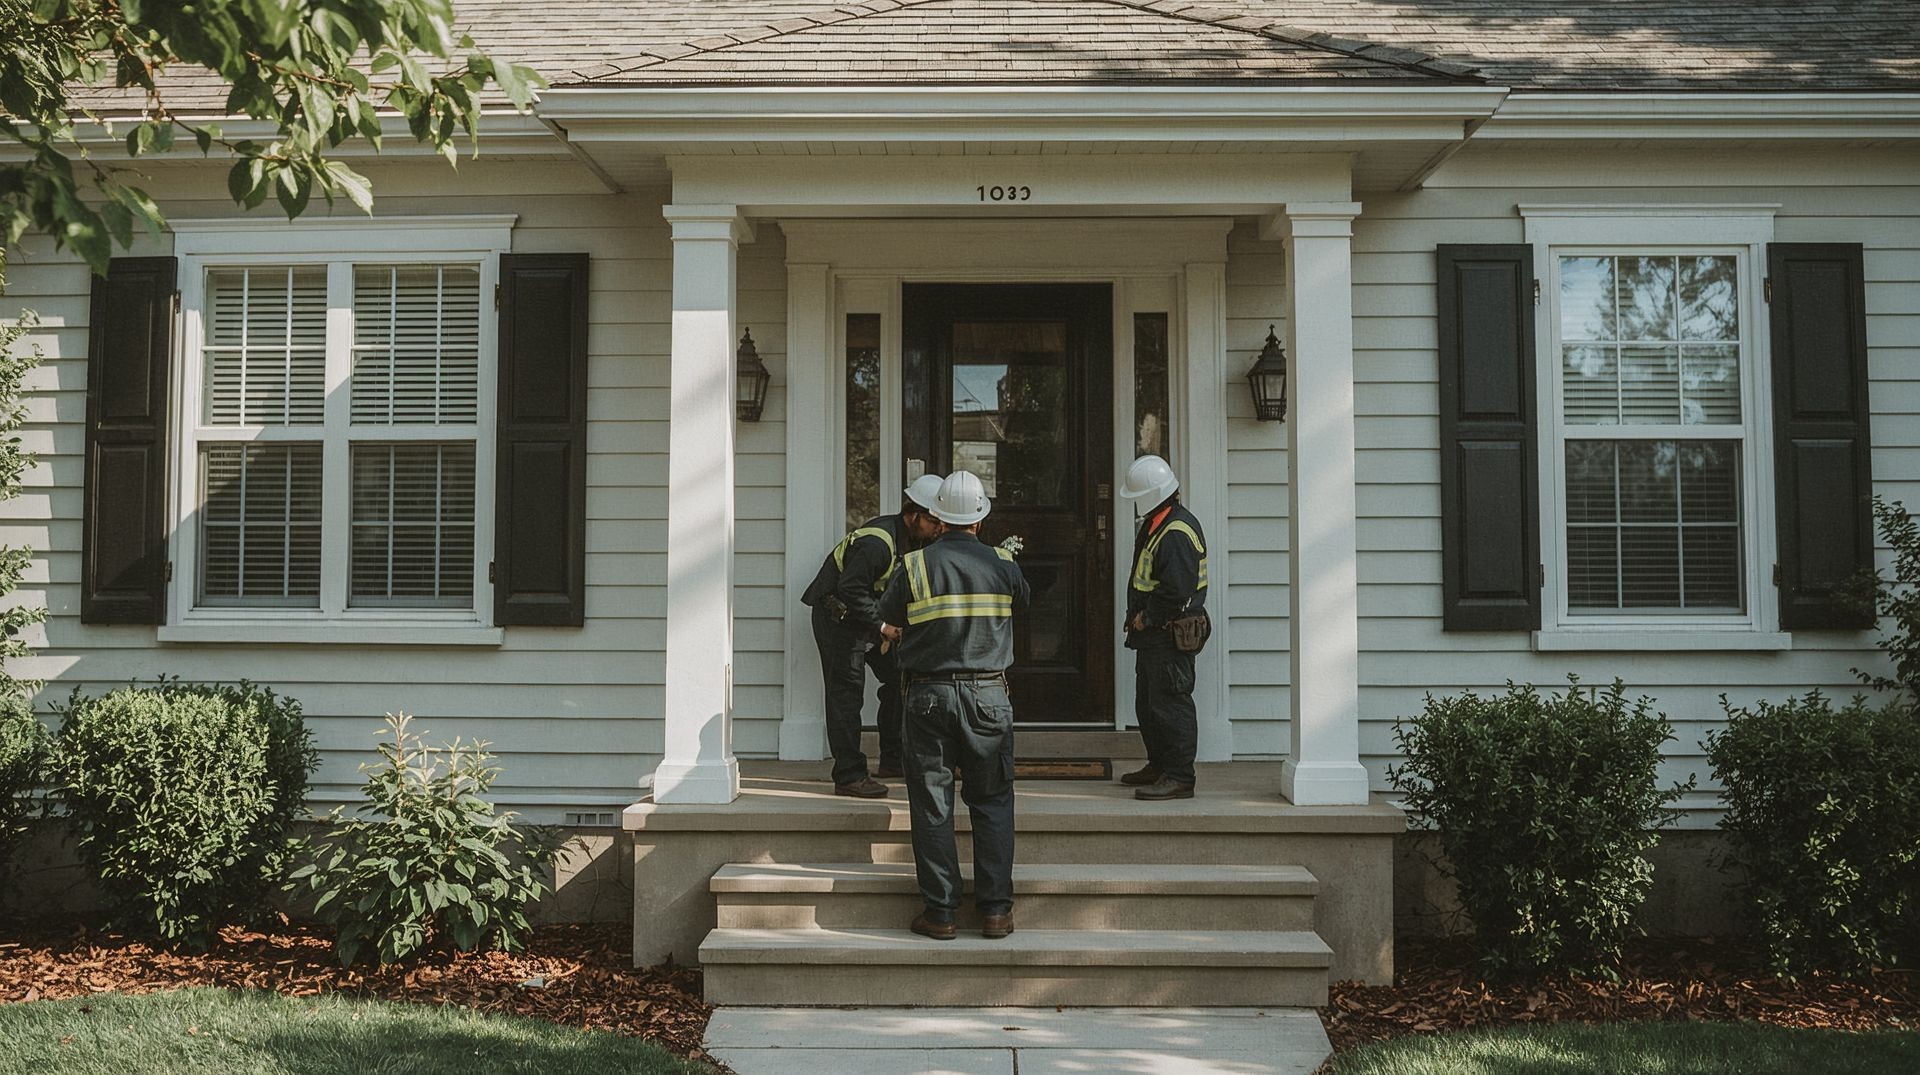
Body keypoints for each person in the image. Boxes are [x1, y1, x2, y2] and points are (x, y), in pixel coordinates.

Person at [877, 470, 1029, 941]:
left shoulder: (915, 565)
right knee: (992, 801)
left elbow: (889, 614)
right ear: (979, 520)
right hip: (988, 696)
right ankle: (996, 912)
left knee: (932, 804)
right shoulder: (1004, 563)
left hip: (928, 695)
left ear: (938, 518)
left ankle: (941, 913)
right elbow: (1022, 604)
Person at [802, 473, 945, 798]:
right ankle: (849, 776)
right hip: (838, 617)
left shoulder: (917, 540)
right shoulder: (877, 543)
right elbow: (850, 588)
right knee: (846, 694)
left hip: (867, 617)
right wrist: (882, 626)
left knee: (899, 679)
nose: (939, 528)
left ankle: (893, 760)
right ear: (914, 515)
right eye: (934, 521)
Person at [1118, 454, 1209, 802]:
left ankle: (1180, 776)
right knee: (1149, 704)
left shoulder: (1176, 533)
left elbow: (1176, 591)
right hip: (1154, 636)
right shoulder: (1159, 523)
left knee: (1170, 705)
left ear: (1150, 495)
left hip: (1168, 633)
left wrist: (1147, 617)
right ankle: (1160, 766)